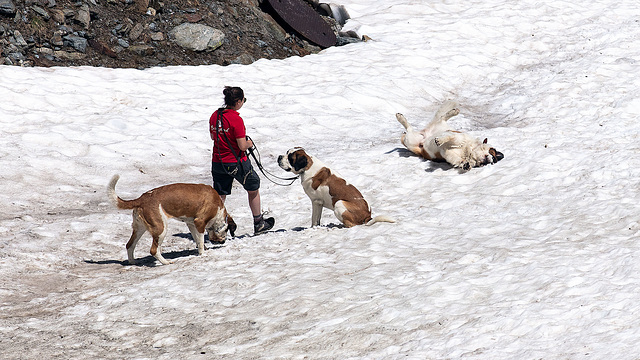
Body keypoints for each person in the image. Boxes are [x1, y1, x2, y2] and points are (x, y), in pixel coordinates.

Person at [209, 86, 275, 235]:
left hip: (218, 161)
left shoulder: (215, 115)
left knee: (220, 194)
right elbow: (242, 146)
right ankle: (259, 223)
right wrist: (249, 143)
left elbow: (213, 137)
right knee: (253, 188)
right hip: (236, 162)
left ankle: (216, 227)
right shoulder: (236, 119)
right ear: (238, 101)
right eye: (243, 100)